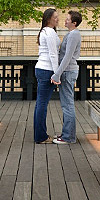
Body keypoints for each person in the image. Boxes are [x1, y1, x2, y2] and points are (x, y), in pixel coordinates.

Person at [51, 10, 83, 144]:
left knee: (67, 105)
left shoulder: (74, 35)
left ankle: (68, 137)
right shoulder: (71, 34)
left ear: (74, 23)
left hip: (68, 72)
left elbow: (67, 56)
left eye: (68, 19)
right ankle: (67, 133)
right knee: (66, 104)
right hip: (68, 71)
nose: (65, 21)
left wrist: (57, 74)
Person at [33, 8, 60, 144]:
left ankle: (40, 135)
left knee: (40, 104)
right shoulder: (49, 32)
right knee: (42, 104)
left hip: (42, 69)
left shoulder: (45, 31)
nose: (58, 19)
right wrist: (56, 74)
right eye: (55, 17)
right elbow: (53, 54)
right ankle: (41, 137)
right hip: (47, 70)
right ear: (48, 18)